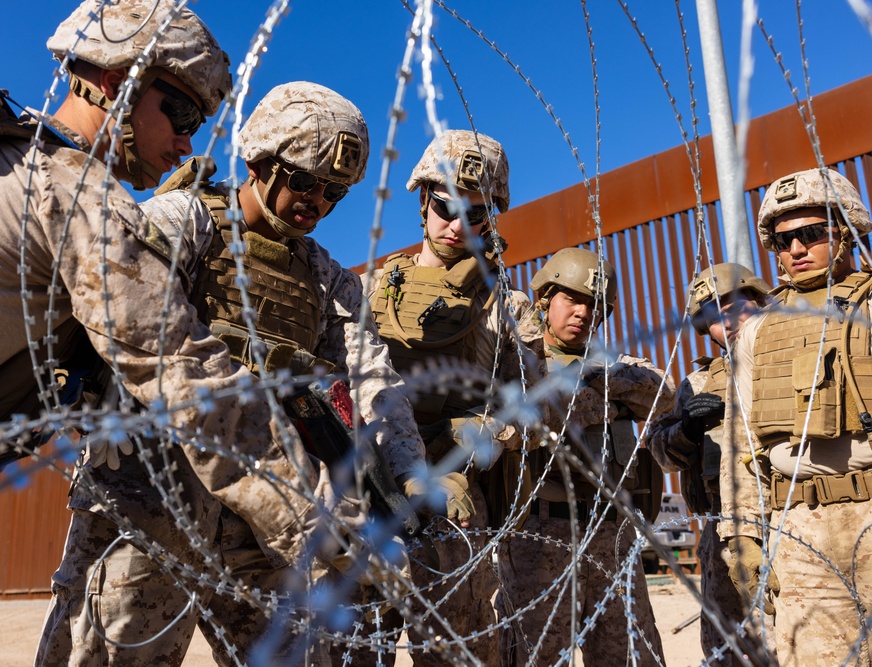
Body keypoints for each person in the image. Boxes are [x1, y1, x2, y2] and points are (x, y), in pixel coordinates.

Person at [0, 2, 337, 665]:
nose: (186, 143)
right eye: (179, 116)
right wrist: (325, 531)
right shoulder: (77, 197)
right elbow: (191, 382)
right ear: (122, 80)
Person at [37, 82, 474, 667]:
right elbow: (116, 328)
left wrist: (407, 474)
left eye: (335, 192)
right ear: (260, 162)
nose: (316, 202)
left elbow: (373, 378)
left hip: (265, 519)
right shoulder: (183, 222)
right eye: (304, 182)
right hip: (151, 495)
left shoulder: (325, 279)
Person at [359, 129, 532, 666]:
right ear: (423, 201)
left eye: (476, 214)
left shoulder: (506, 305)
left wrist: (486, 437)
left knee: (458, 651)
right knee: (360, 649)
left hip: (454, 502)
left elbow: (531, 398)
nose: (458, 225)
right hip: (372, 495)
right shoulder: (370, 289)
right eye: (445, 206)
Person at [719, 167, 872, 666]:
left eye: (811, 234)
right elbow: (741, 447)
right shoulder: (756, 331)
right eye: (784, 241)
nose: (796, 250)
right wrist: (741, 537)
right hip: (801, 530)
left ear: (845, 231)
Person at [497, 246, 672, 666]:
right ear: (545, 300)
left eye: (594, 305)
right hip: (540, 533)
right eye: (572, 299)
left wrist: (587, 394)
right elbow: (520, 423)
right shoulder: (520, 362)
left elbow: (661, 391)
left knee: (630, 655)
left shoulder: (614, 363)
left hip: (613, 533)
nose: (582, 312)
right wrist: (603, 402)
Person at [645, 263, 772, 663]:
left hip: (798, 516)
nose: (726, 323)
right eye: (712, 319)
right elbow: (659, 451)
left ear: (757, 299)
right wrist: (687, 427)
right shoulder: (698, 382)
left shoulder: (795, 354)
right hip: (725, 532)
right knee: (728, 650)